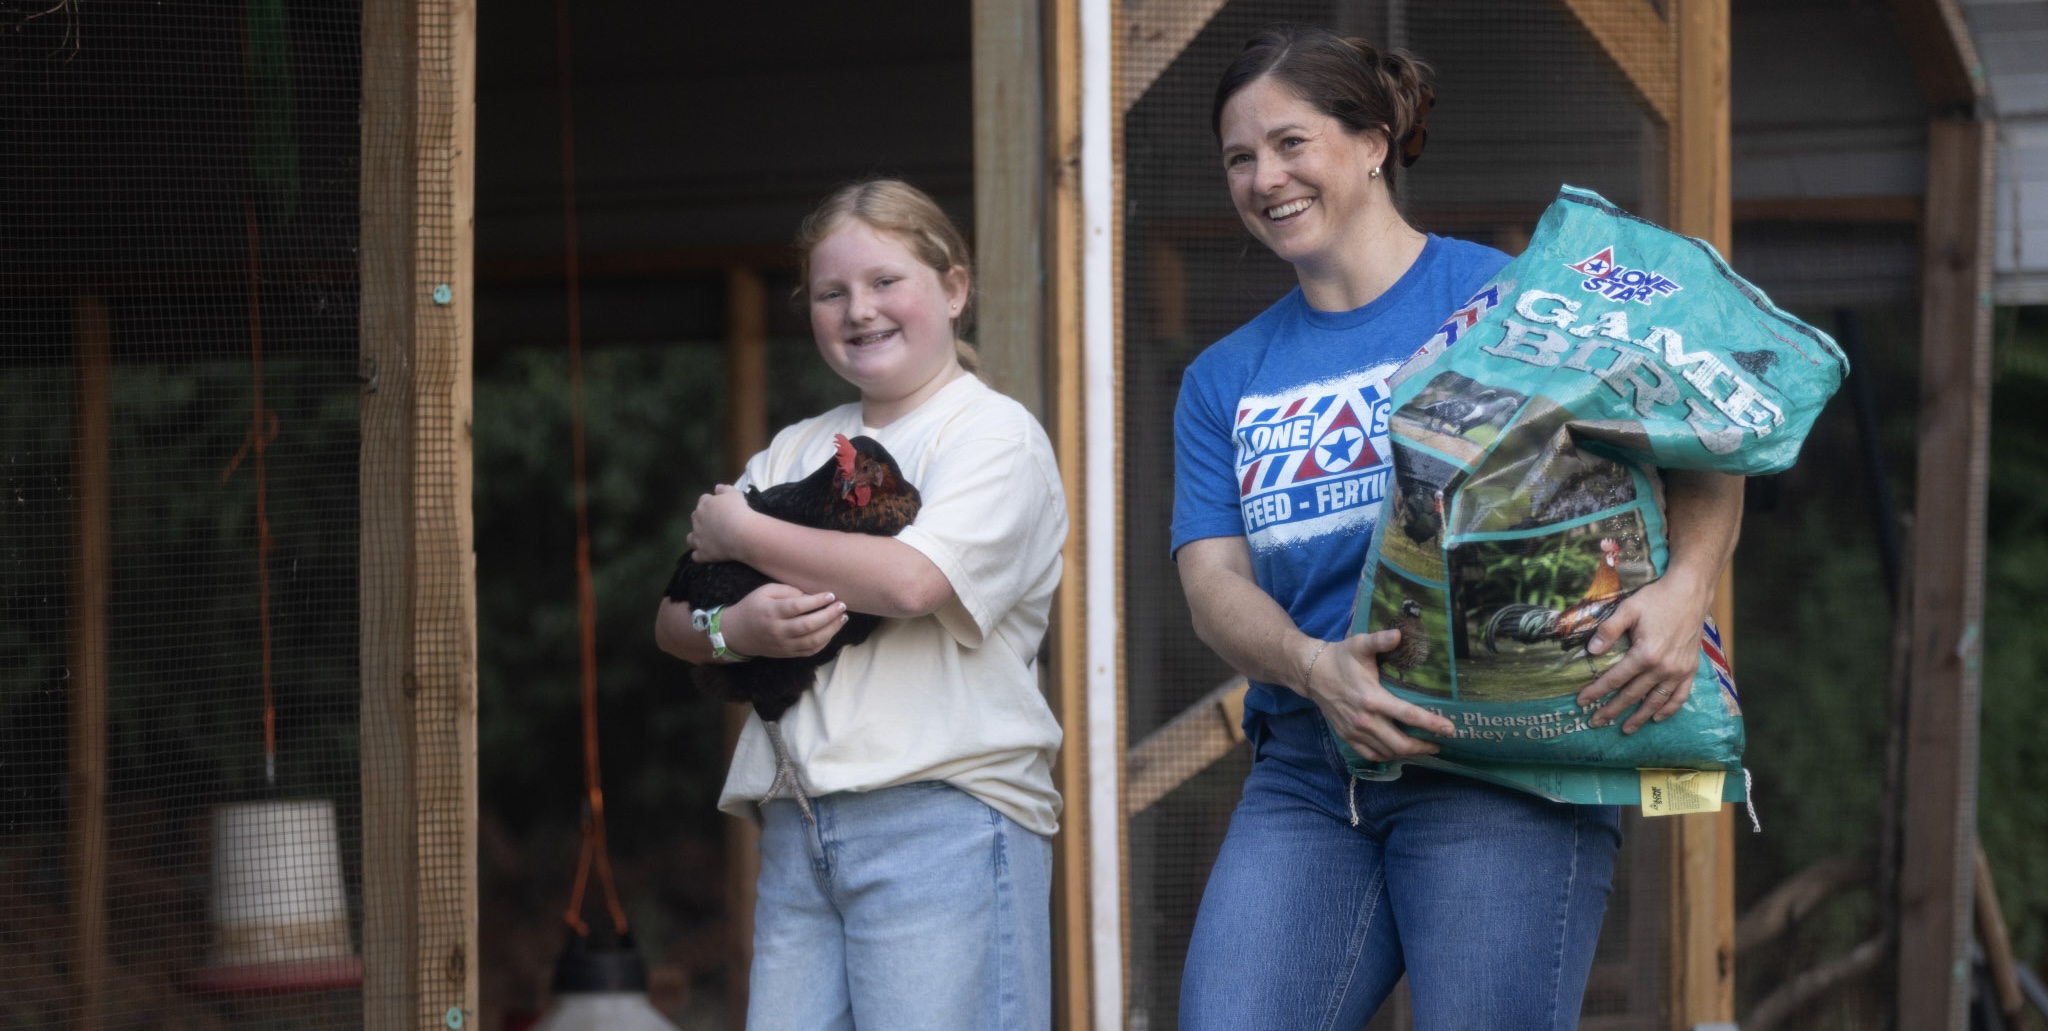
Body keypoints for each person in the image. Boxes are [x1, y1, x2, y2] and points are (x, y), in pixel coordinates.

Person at [1171, 27, 1744, 1030]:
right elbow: (1213, 583)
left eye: (1289, 142)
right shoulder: (1224, 377)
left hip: (1504, 761)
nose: (1264, 177)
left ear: (1373, 141)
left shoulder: (1511, 298)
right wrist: (1309, 666)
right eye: (1238, 157)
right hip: (1311, 766)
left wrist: (1682, 586)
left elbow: (1705, 434)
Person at [653, 179, 1067, 1031]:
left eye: (886, 282)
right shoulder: (798, 447)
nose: (860, 309)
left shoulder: (992, 434)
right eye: (833, 292)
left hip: (942, 816)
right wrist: (734, 630)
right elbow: (673, 621)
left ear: (953, 289)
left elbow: (914, 581)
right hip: (801, 827)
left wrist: (743, 530)